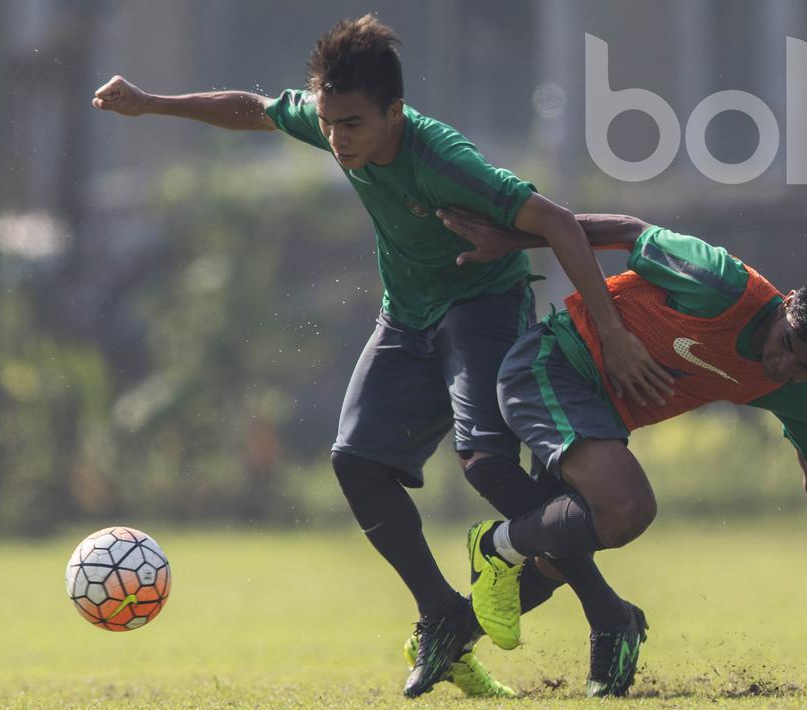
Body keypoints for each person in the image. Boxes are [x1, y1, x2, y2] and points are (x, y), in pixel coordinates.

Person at [92, 15, 673, 698]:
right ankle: (444, 616)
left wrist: (609, 328)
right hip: (408, 316)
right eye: (329, 122)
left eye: (353, 125)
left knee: (488, 466)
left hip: (483, 307)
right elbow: (252, 110)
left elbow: (557, 221)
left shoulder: (443, 160)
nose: (337, 139)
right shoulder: (335, 120)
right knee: (355, 461)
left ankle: (609, 618)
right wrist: (151, 102)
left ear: (394, 112)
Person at [437, 207, 807, 696]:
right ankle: (498, 546)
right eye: (787, 344)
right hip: (552, 362)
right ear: (791, 302)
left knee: (568, 545)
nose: (782, 366)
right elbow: (626, 231)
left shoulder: (797, 394)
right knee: (628, 507)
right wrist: (512, 240)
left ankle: (452, 640)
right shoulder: (719, 284)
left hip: (597, 419)